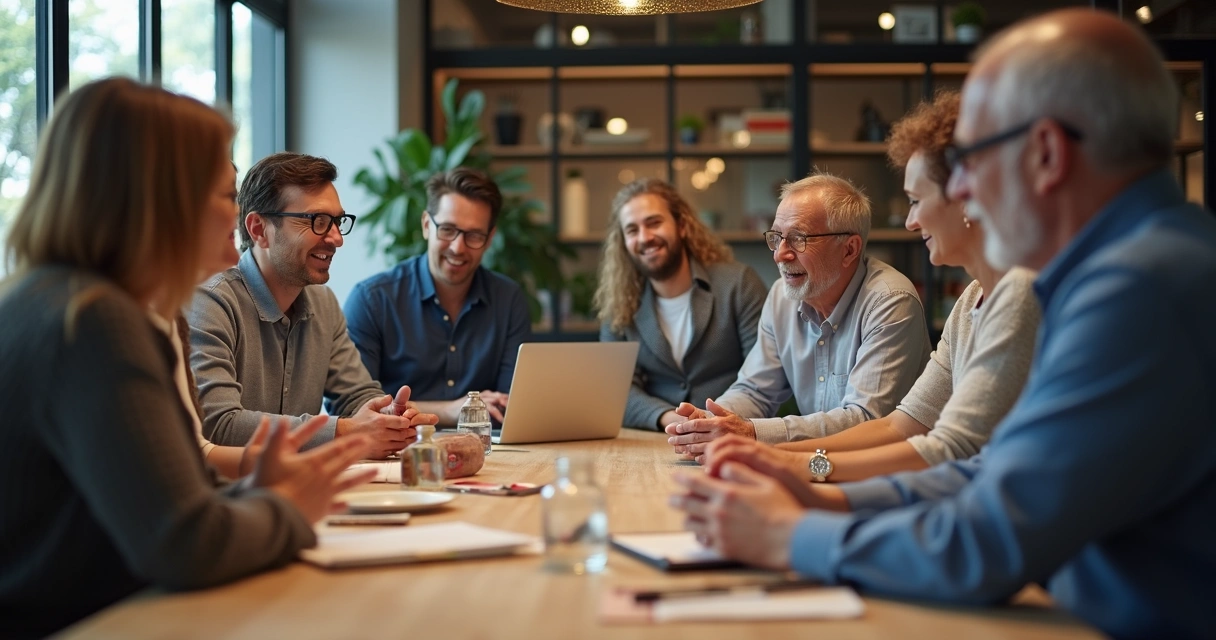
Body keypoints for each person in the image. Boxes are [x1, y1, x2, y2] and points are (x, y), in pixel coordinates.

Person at [671, 10, 1216, 639]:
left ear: (1045, 153)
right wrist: (822, 494)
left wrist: (791, 534)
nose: (962, 192)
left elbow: (986, 541)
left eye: (973, 158)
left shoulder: (1136, 289)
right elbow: (988, 470)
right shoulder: (1135, 264)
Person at [0, 78, 377, 638]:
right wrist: (291, 507)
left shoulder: (48, 300)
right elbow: (183, 545)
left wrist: (260, 492)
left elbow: (160, 504)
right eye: (225, 196)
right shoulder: (97, 323)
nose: (237, 218)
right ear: (158, 198)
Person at [703, 92, 1041, 482]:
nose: (910, 222)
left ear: (966, 197)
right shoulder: (968, 301)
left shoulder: (1018, 292)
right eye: (777, 238)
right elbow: (902, 426)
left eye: (915, 201)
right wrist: (760, 452)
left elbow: (947, 448)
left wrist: (792, 464)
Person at [189, 152, 436, 459]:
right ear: (258, 229)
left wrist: (389, 416)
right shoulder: (210, 303)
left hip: (299, 486)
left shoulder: (323, 302)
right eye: (318, 222)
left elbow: (355, 395)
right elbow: (219, 426)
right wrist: (347, 431)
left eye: (337, 222)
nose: (336, 239)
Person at [665, 172, 931, 454]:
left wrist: (752, 433)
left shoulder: (890, 301)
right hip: (812, 466)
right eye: (777, 237)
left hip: (887, 472)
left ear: (849, 249)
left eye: (798, 239)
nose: (780, 254)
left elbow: (866, 419)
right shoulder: (782, 296)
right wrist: (710, 422)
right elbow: (755, 391)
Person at [344, 168, 531, 427]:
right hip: (396, 455)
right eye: (447, 229)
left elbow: (508, 405)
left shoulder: (509, 300)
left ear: (489, 240)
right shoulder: (372, 300)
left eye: (474, 235)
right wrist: (452, 410)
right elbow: (356, 410)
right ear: (425, 225)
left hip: (487, 454)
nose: (458, 247)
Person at [596, 179, 767, 430]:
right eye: (632, 230)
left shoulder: (738, 284)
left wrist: (712, 421)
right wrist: (668, 418)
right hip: (653, 438)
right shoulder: (620, 305)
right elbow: (615, 387)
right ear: (624, 243)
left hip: (732, 432)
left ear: (682, 226)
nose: (645, 237)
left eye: (654, 223)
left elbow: (763, 375)